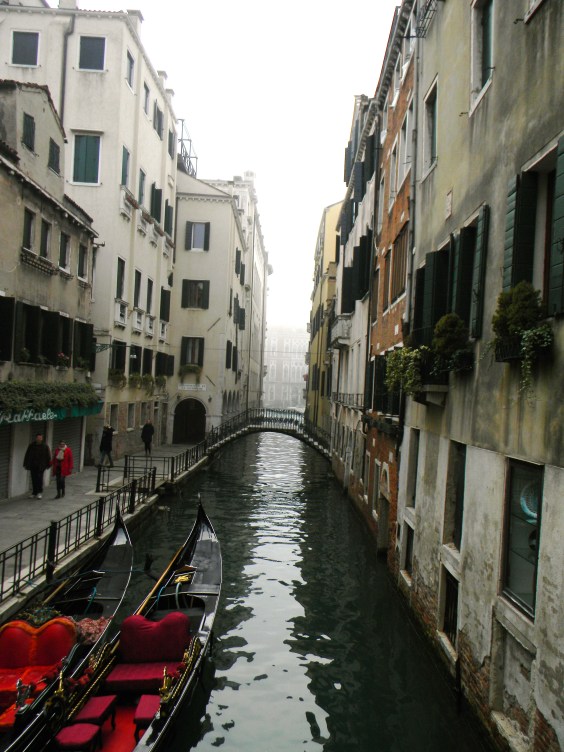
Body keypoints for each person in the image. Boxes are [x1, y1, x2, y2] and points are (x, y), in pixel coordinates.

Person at [23, 433, 51, 499]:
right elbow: (27, 455)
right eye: (38, 438)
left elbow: (48, 456)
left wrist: (48, 464)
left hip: (41, 466)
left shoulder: (45, 446)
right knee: (34, 479)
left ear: (42, 438)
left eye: (40, 438)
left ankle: (39, 492)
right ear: (36, 438)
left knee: (39, 478)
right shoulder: (32, 445)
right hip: (33, 465)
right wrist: (26, 464)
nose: (39, 439)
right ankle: (34, 492)